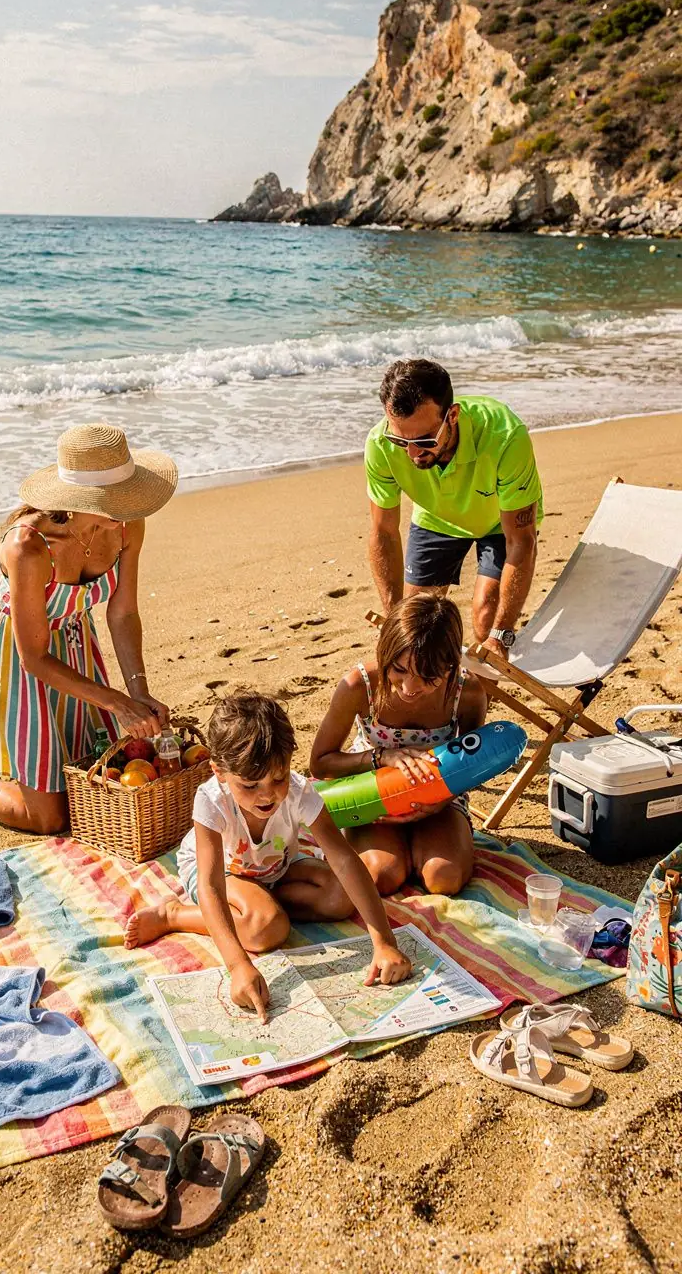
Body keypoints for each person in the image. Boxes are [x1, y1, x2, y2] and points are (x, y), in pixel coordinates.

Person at [0, 423, 177, 835]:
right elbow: (34, 657)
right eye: (115, 499)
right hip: (22, 660)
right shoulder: (27, 548)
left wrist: (137, 690)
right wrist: (116, 703)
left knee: (92, 785)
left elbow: (122, 614)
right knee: (49, 818)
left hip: (78, 646)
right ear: (78, 499)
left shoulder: (125, 524)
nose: (127, 506)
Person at [124, 691, 413, 1020]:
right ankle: (173, 915)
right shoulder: (211, 800)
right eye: (249, 785)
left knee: (341, 897)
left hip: (275, 868)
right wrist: (238, 966)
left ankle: (263, 907)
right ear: (219, 771)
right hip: (224, 874)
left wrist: (384, 940)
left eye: (278, 778)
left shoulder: (300, 791)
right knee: (267, 930)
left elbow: (345, 860)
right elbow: (211, 885)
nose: (267, 794)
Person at [310, 595, 487, 897]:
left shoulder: (465, 692)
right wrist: (380, 757)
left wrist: (441, 802)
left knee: (443, 878)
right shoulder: (359, 686)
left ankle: (421, 844)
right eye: (400, 670)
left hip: (439, 797)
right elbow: (321, 763)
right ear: (385, 654)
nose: (409, 688)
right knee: (381, 876)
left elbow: (473, 764)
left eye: (429, 677)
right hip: (374, 794)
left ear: (451, 666)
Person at [366, 358, 542, 659]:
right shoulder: (381, 444)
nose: (412, 453)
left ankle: (478, 702)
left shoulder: (505, 437)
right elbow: (383, 533)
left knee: (487, 617)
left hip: (499, 521)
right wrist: (394, 618)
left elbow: (520, 541)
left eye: (424, 439)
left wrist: (501, 635)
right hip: (435, 517)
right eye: (400, 440)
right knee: (413, 628)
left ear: (453, 415)